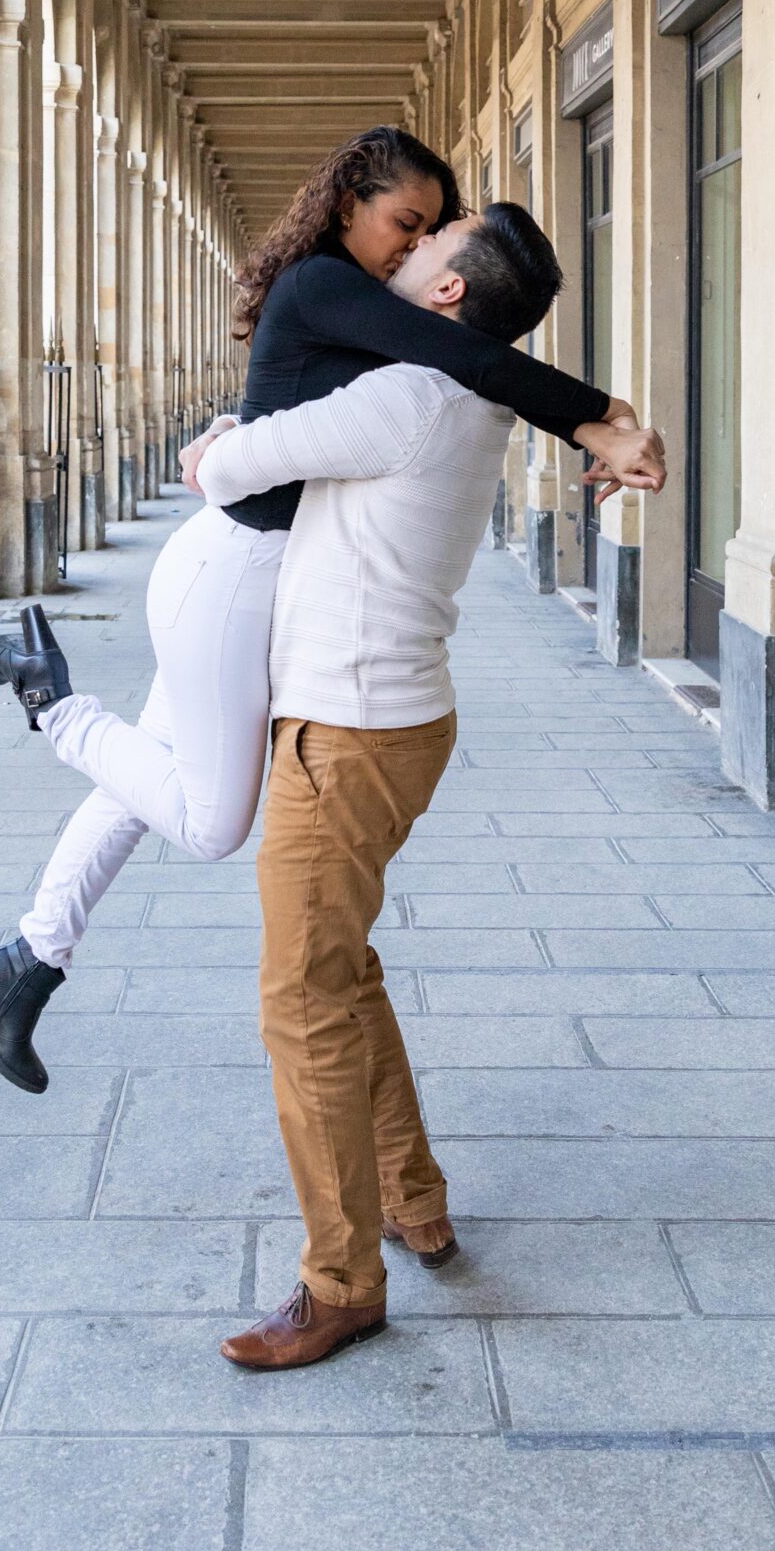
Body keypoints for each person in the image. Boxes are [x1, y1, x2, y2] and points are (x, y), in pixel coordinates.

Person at [0, 128, 665, 1092]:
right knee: (207, 824)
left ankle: (28, 963)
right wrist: (600, 419)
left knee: (138, 788)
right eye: (401, 225)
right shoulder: (325, 285)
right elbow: (471, 361)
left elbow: (470, 363)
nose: (408, 247)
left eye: (424, 233)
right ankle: (48, 698)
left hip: (249, 573)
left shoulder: (364, 302)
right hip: (234, 574)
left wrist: (611, 419)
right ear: (346, 206)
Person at [205, 201, 570, 1369]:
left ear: (451, 293)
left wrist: (215, 441)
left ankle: (340, 1282)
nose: (398, 256)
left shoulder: (402, 398)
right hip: (401, 720)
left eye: (424, 245)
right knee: (342, 970)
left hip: (348, 728)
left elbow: (230, 469)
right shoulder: (465, 400)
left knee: (301, 1000)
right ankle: (415, 1201)